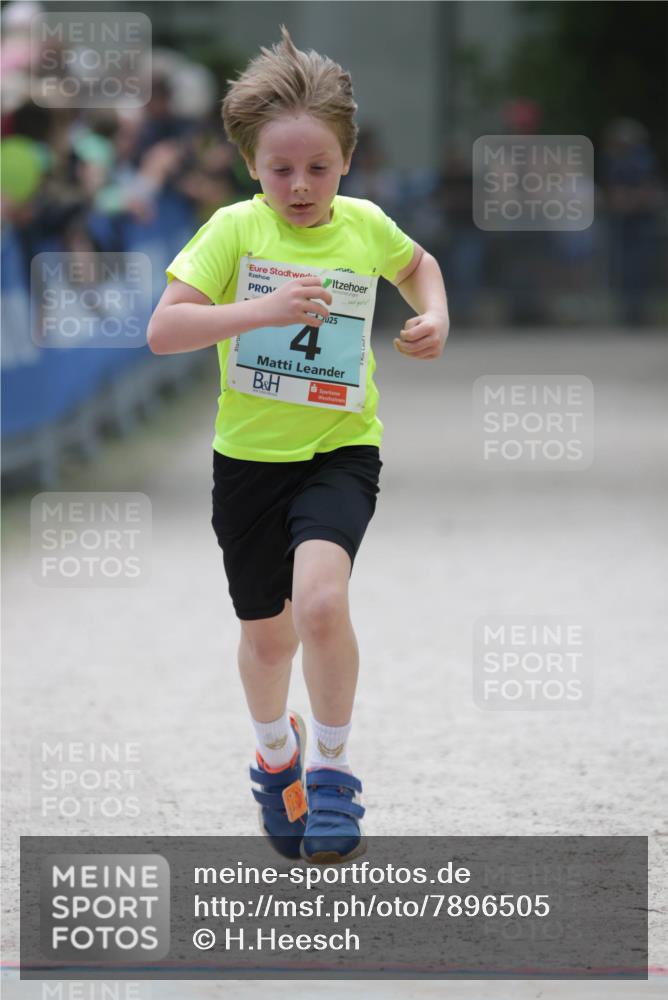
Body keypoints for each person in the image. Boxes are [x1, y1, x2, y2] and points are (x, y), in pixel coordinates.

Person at [147, 26, 448, 864]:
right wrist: (259, 311)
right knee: (269, 637)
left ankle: (332, 772)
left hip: (340, 449)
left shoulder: (364, 225)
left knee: (320, 604)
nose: (301, 185)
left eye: (318, 167)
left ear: (346, 162)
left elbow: (419, 265)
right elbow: (165, 330)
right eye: (281, 169)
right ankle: (274, 754)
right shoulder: (233, 232)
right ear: (252, 166)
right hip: (247, 463)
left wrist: (436, 313)